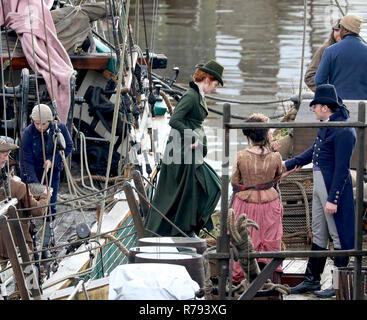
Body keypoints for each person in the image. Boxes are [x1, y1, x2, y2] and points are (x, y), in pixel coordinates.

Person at [283, 84, 356, 298]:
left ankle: (338, 284)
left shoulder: (343, 130)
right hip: (319, 183)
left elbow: (343, 168)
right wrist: (289, 164)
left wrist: (333, 199)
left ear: (325, 107)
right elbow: (314, 151)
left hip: (331, 186)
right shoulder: (328, 125)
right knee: (318, 232)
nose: (313, 110)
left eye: (315, 106)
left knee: (338, 236)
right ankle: (311, 280)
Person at [144, 60, 223, 237]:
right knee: (208, 185)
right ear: (208, 79)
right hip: (182, 151)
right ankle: (184, 229)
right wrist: (192, 135)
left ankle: (187, 229)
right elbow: (174, 120)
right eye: (216, 84)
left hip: (189, 152)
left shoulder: (198, 95)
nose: (215, 88)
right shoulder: (191, 96)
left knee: (190, 191)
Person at [230, 114, 289, 284]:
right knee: (270, 242)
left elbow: (235, 181)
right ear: (265, 135)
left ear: (249, 136)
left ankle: (240, 283)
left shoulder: (241, 156)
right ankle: (269, 281)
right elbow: (277, 176)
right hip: (270, 204)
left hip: (245, 204)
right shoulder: (275, 156)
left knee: (244, 241)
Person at [19, 104, 73, 253]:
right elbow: (25, 160)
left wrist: (52, 160)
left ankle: (46, 245)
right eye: (37, 123)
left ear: (49, 121)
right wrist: (35, 185)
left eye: (43, 124)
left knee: (49, 206)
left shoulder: (59, 128)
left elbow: (68, 146)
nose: (40, 127)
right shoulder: (27, 134)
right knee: (29, 206)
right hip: (32, 174)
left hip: (52, 172)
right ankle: (28, 242)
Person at [0, 138, 50, 270]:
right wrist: (46, 195)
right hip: (17, 245)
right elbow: (37, 210)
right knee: (27, 280)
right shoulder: (18, 187)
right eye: (5, 156)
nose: (6, 159)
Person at [315, 14, 367, 99]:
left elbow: (319, 81)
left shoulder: (330, 51)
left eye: (341, 28)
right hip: (363, 105)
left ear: (346, 30)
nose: (340, 31)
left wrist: (329, 97)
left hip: (338, 105)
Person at [304, 19, 341, 92]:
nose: (339, 34)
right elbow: (309, 77)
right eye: (337, 30)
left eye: (342, 31)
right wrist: (327, 91)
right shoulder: (324, 50)